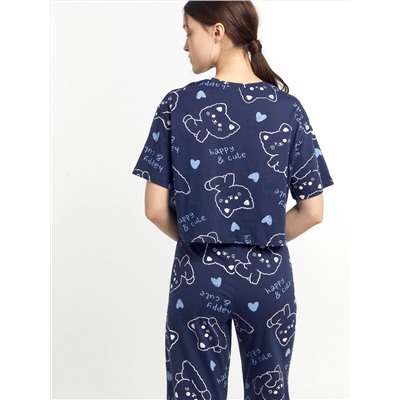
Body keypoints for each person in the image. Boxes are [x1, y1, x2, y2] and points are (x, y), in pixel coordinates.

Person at [132, 1, 333, 399]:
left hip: (197, 273)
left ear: (217, 31)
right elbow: (313, 212)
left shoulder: (177, 105)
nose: (185, 45)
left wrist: (202, 238)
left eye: (189, 32)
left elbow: (154, 209)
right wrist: (260, 236)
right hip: (269, 279)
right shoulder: (288, 110)